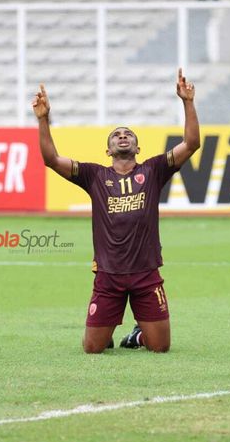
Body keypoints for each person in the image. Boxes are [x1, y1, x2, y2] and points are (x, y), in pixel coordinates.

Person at [32, 68, 200, 354]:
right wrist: (44, 119)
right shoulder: (94, 175)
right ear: (108, 150)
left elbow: (192, 143)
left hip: (146, 273)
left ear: (137, 146)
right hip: (108, 276)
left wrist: (187, 102)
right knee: (92, 349)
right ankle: (105, 330)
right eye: (116, 136)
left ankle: (137, 334)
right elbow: (50, 159)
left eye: (128, 135)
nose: (122, 137)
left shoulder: (154, 170)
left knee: (160, 347)